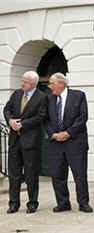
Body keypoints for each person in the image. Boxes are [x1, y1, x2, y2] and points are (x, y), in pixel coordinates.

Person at [45, 72, 93, 213]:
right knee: (58, 175)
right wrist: (53, 134)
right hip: (56, 143)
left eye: (52, 83)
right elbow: (45, 119)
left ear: (61, 83)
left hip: (75, 142)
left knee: (80, 175)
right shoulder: (49, 99)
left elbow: (83, 117)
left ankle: (83, 203)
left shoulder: (78, 95)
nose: (49, 87)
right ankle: (63, 203)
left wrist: (68, 133)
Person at [3, 71, 47, 214]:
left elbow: (41, 116)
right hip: (14, 141)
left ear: (33, 83)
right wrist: (10, 120)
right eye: (22, 81)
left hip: (31, 142)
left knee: (31, 174)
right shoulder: (17, 94)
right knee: (14, 174)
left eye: (25, 82)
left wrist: (23, 123)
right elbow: (7, 109)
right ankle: (14, 203)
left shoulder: (42, 97)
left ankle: (32, 203)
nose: (22, 84)